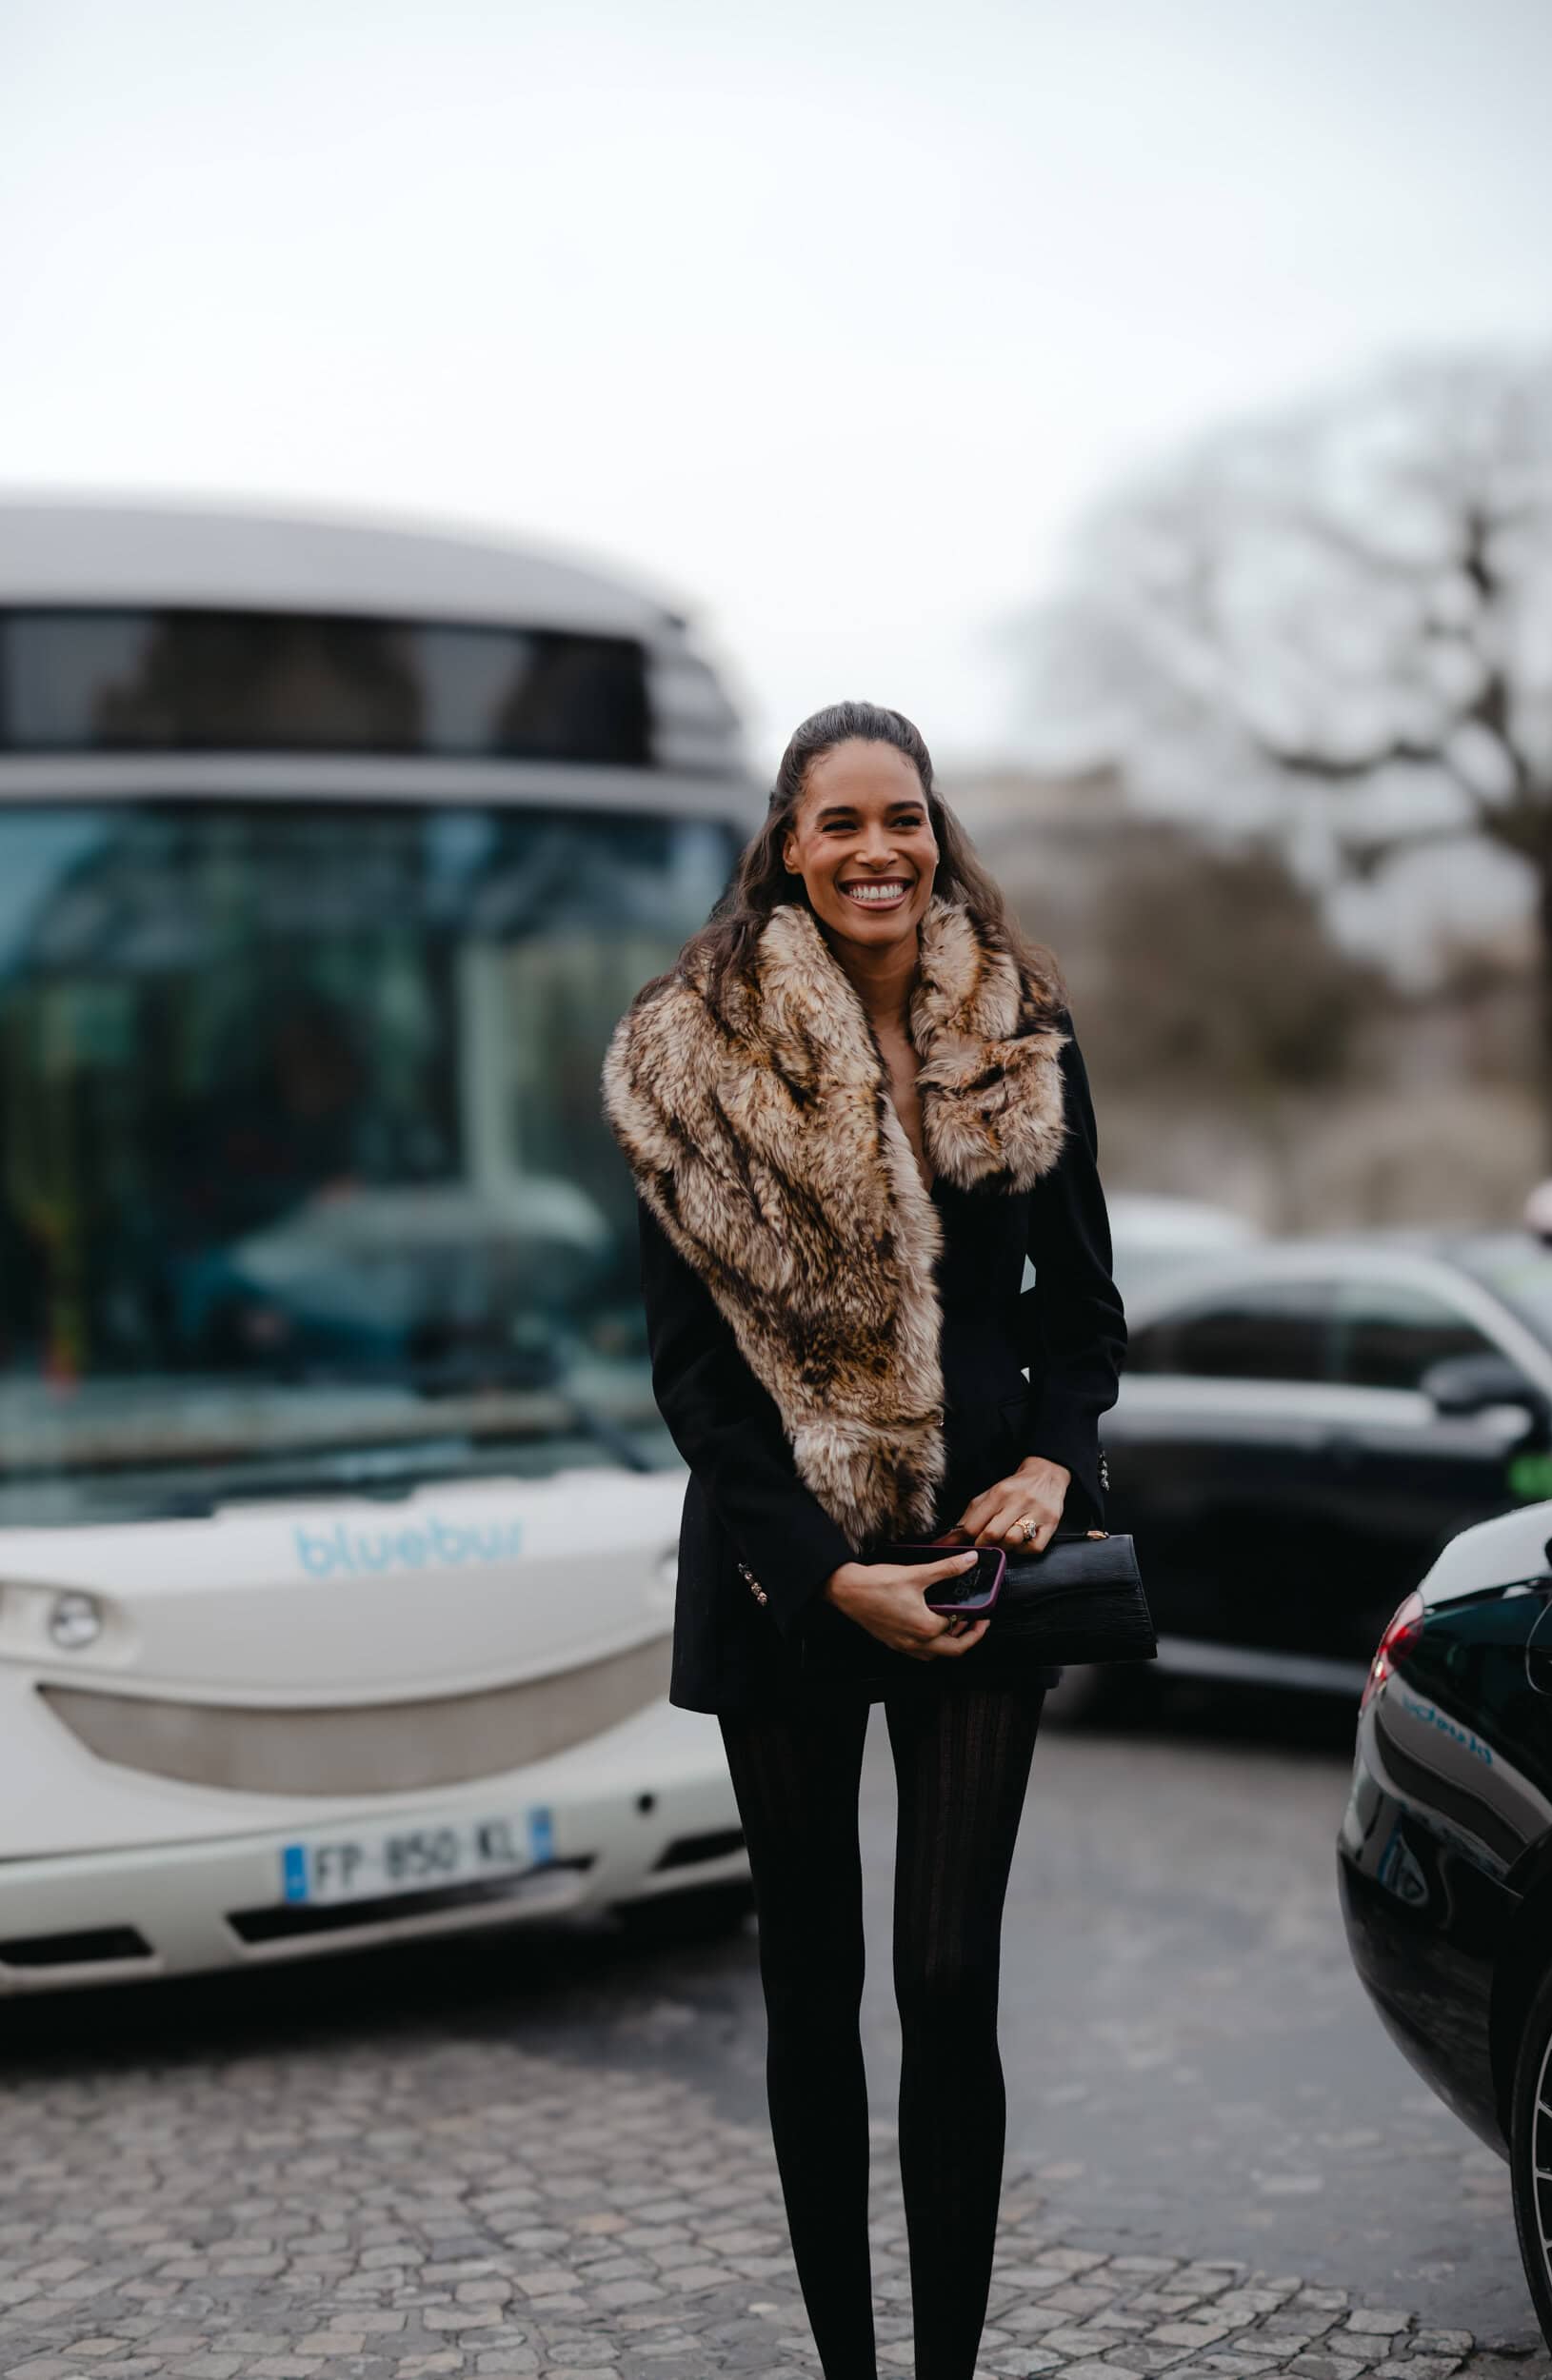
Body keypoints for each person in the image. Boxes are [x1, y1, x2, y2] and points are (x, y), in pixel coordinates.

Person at [601, 700, 1126, 2380]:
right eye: (840, 825)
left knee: (950, 1979)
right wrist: (824, 1573)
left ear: (935, 827)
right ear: (789, 842)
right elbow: (688, 1374)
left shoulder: (1021, 1030)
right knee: (814, 1985)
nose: (877, 850)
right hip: (788, 1575)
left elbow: (1089, 1314)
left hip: (980, 1563)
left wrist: (1051, 1462)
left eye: (901, 817)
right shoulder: (698, 1057)